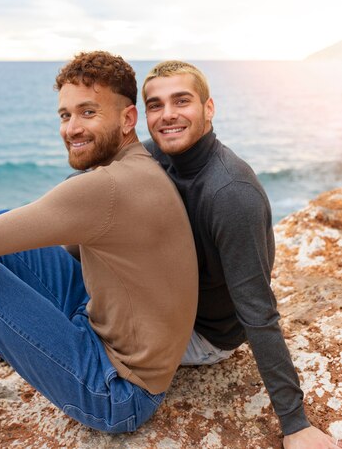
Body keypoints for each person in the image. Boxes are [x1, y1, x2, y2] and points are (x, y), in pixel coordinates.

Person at [0, 51, 198, 444]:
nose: (72, 128)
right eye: (65, 115)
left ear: (127, 119)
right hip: (112, 331)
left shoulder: (105, 188)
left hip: (117, 392)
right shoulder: (141, 167)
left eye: (88, 112)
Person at [142, 60, 340, 449]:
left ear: (209, 108)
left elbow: (258, 311)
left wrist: (295, 423)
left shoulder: (229, 192)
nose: (167, 115)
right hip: (174, 305)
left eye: (181, 101)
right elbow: (97, 177)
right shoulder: (160, 156)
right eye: (155, 105)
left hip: (204, 337)